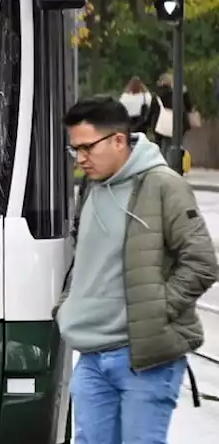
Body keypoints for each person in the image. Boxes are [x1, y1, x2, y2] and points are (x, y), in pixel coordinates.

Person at [59, 97, 217, 443]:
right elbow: (85, 259)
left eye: (87, 148)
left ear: (118, 140)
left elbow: (202, 261)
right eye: (75, 151)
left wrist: (155, 314)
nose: (80, 159)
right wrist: (67, 306)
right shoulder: (92, 187)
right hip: (91, 356)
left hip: (144, 359)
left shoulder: (163, 185)